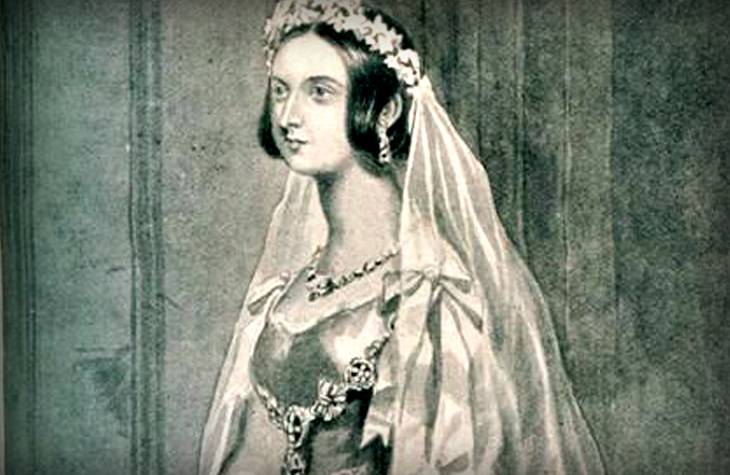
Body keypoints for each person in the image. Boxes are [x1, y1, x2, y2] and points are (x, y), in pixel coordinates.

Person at [198, 1, 606, 474]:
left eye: (320, 93)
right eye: (280, 91)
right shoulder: (286, 289)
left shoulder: (431, 295)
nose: (289, 116)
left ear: (384, 109)